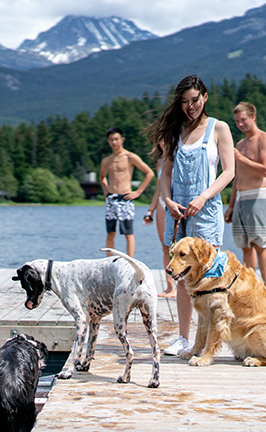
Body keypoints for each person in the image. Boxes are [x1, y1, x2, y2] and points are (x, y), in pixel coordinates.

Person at [148, 75, 235, 356]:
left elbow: (229, 172)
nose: (190, 107)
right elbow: (166, 172)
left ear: (205, 97)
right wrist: (167, 199)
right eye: (184, 102)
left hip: (206, 212)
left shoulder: (219, 128)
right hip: (178, 213)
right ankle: (183, 339)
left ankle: (209, 342)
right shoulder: (176, 132)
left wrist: (203, 197)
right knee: (183, 279)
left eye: (195, 100)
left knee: (209, 279)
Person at [225, 102, 266, 291]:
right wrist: (230, 205)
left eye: (243, 120)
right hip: (241, 198)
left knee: (260, 243)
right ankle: (250, 287)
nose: (240, 124)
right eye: (237, 121)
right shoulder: (240, 144)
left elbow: (265, 169)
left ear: (253, 117)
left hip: (258, 196)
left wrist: (241, 159)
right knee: (245, 246)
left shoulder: (264, 139)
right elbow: (237, 177)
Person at [99, 127, 155, 258]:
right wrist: (105, 190)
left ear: (122, 140)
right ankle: (108, 262)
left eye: (116, 139)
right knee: (110, 232)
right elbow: (102, 177)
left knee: (128, 233)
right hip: (112, 198)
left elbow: (149, 173)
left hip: (126, 198)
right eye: (111, 140)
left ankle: (130, 262)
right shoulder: (107, 161)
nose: (114, 142)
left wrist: (138, 192)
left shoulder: (130, 157)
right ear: (108, 141)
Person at [142, 141, 176, 298]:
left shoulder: (179, 154)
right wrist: (150, 210)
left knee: (180, 247)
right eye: (160, 138)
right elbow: (158, 188)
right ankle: (170, 286)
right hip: (162, 204)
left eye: (166, 137)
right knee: (165, 247)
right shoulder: (159, 161)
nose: (163, 142)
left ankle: (182, 286)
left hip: (176, 204)